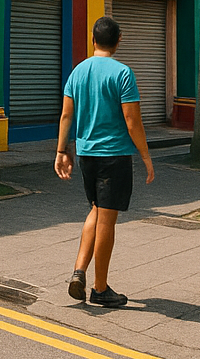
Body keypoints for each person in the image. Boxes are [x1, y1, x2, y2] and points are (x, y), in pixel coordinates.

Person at [55, 16, 155, 309]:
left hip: (87, 155)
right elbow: (132, 120)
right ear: (119, 40)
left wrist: (62, 151)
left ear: (92, 38)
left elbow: (66, 116)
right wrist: (147, 158)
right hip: (114, 156)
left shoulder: (78, 71)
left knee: (97, 211)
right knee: (107, 221)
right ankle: (100, 288)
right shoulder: (123, 73)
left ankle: (78, 271)